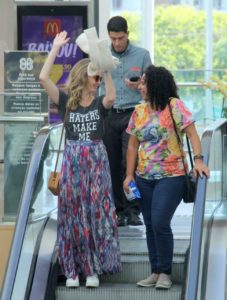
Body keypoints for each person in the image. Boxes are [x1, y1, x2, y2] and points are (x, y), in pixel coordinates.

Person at [39, 30, 121, 288]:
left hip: (96, 161)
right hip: (74, 161)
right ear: (83, 77)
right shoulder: (66, 101)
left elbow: (112, 96)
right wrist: (54, 48)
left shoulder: (99, 102)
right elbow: (43, 77)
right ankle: (73, 269)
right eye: (94, 77)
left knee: (96, 214)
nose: (96, 81)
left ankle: (93, 269)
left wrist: (104, 66)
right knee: (73, 215)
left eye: (98, 77)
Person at [123, 65, 210, 289]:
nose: (140, 86)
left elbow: (192, 134)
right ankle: (156, 270)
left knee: (161, 221)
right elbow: (132, 146)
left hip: (172, 175)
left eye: (144, 82)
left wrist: (198, 160)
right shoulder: (139, 112)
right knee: (150, 225)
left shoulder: (175, 106)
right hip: (143, 177)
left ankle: (166, 273)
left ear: (155, 85)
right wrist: (129, 175)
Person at [100, 16, 152, 227]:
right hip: (109, 114)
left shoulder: (142, 55)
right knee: (112, 164)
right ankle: (118, 210)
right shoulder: (102, 57)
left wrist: (140, 85)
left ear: (127, 34)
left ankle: (133, 209)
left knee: (130, 163)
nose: (117, 43)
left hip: (133, 114)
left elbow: (151, 85)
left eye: (120, 38)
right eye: (113, 39)